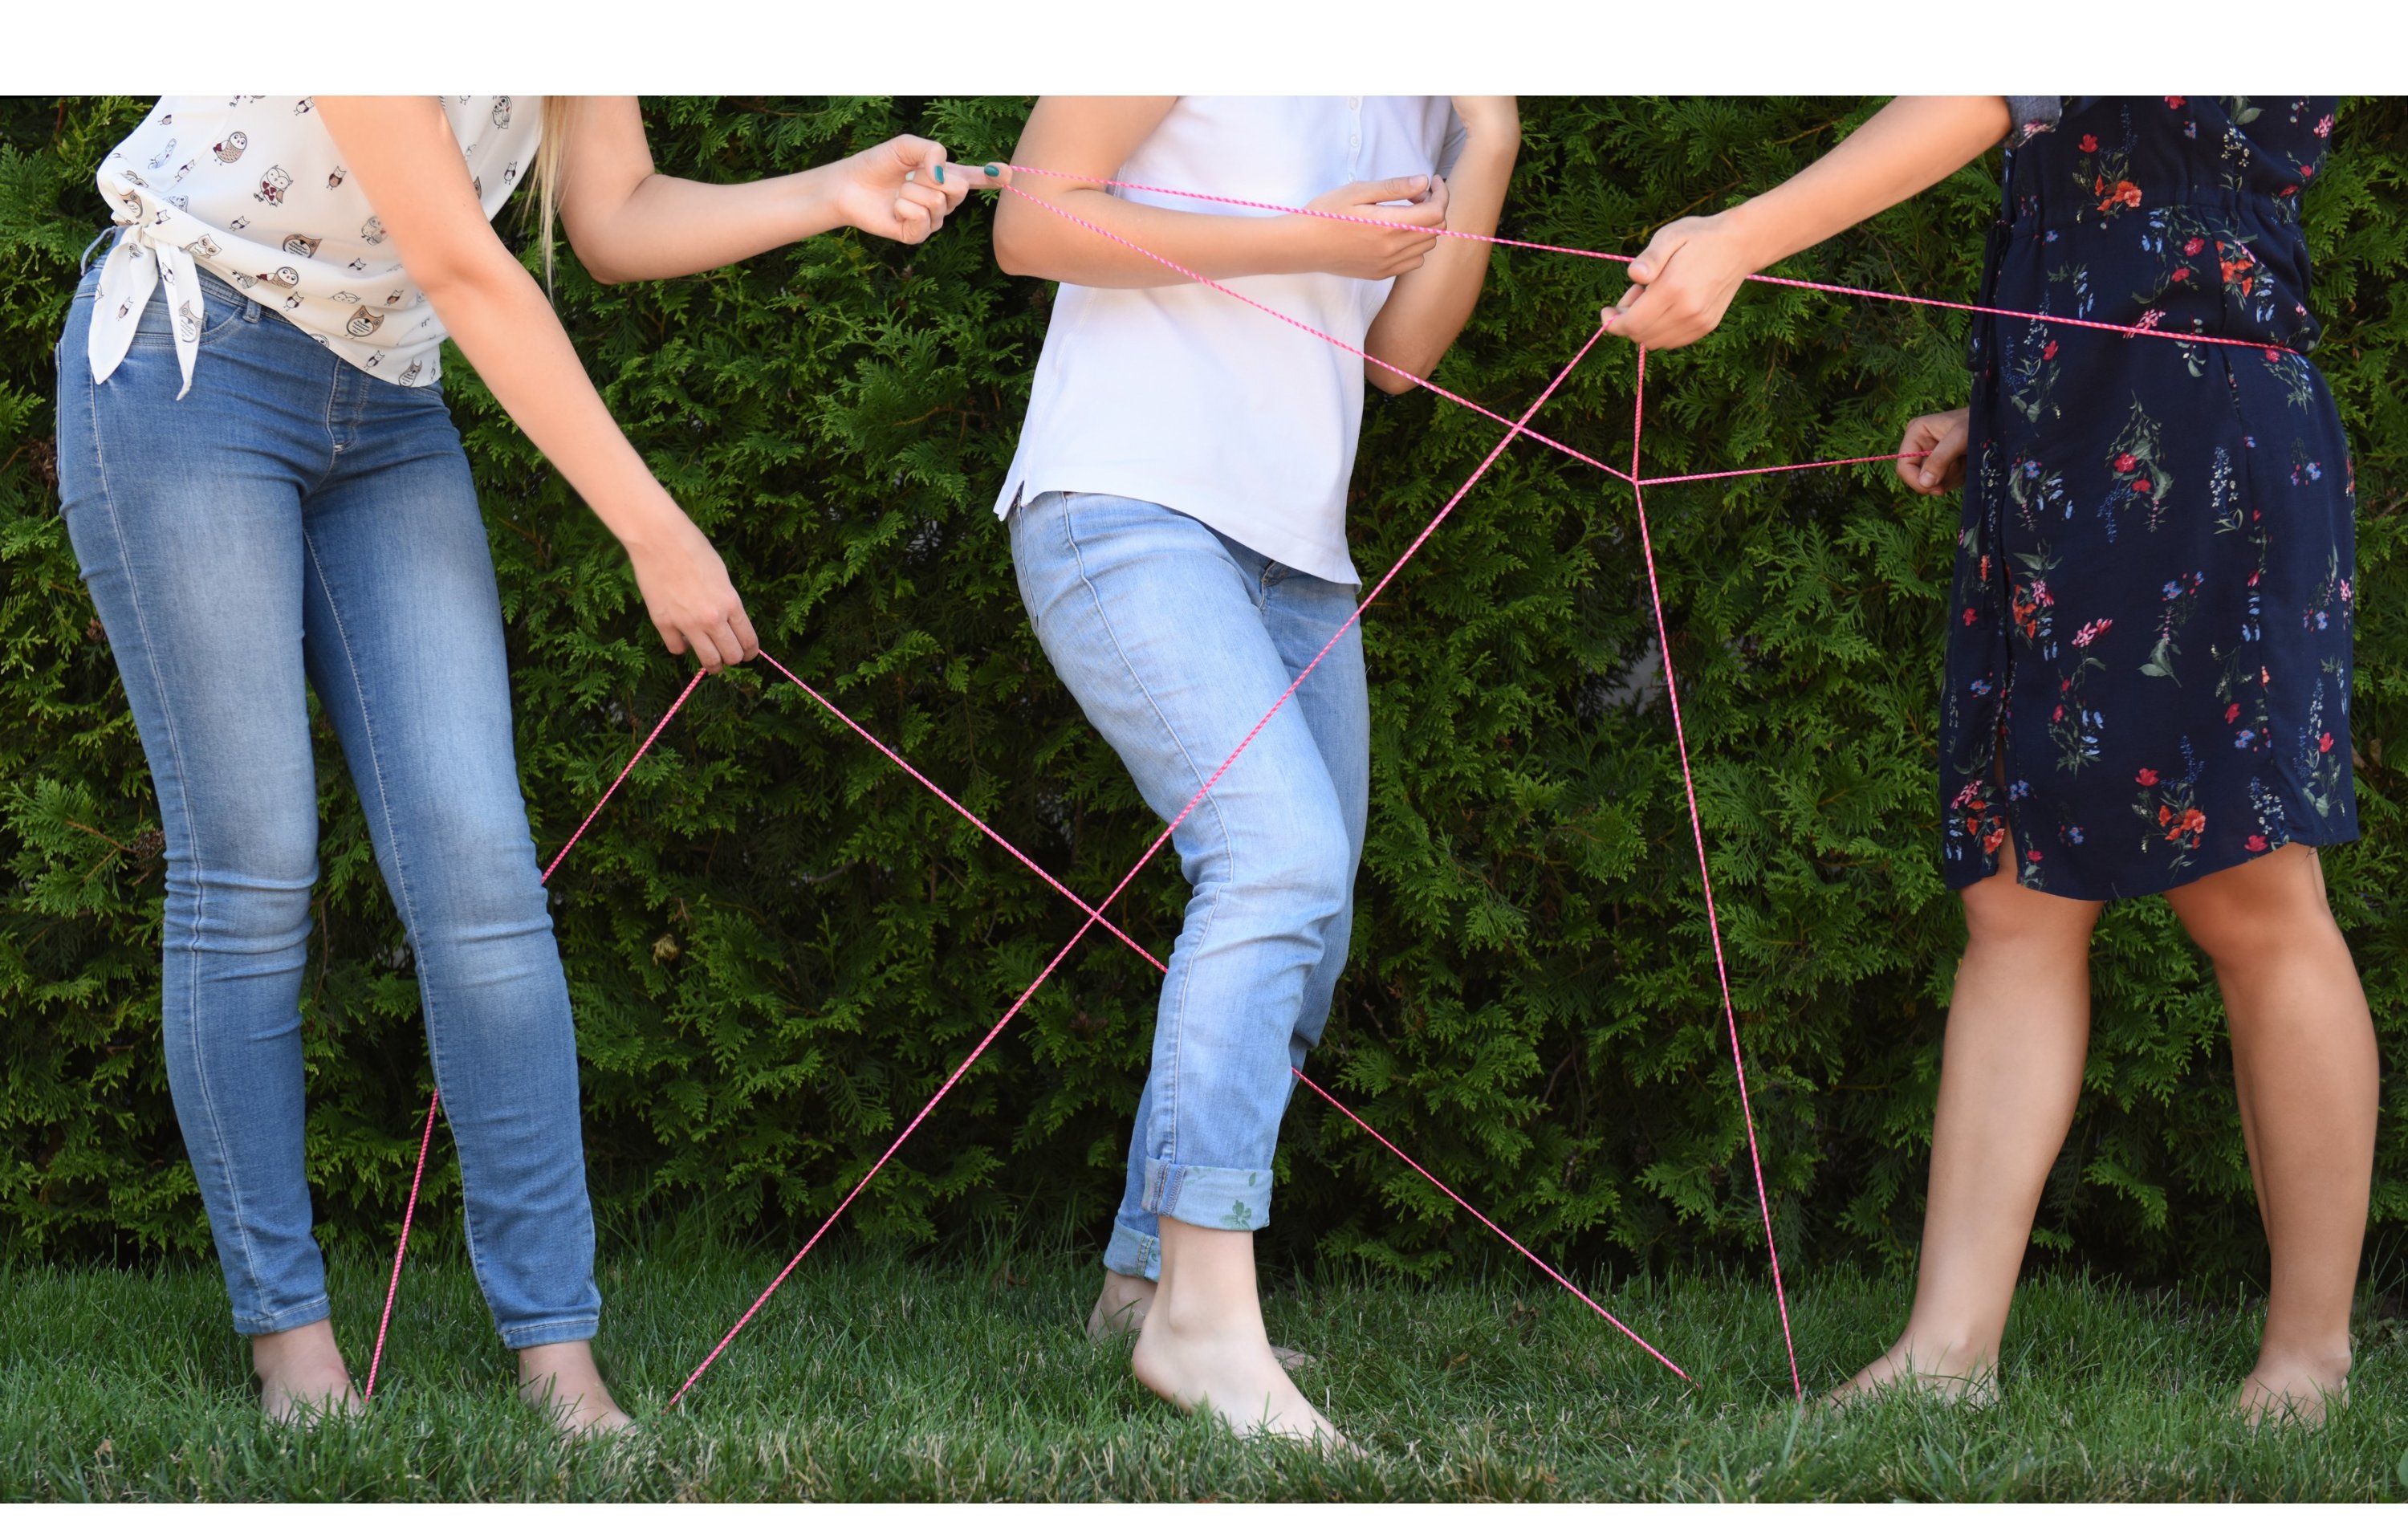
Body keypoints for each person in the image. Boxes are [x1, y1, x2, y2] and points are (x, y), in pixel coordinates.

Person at [57, 95, 983, 1430]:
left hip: (386, 401)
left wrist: (829, 190)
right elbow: (462, 262)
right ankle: (294, 1352)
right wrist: (655, 531)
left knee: (483, 875)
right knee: (252, 869)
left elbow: (614, 215)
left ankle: (559, 1362)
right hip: (189, 360)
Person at [1601, 96, 2375, 1422]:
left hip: (2205, 434)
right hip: (2062, 433)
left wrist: (1738, 238)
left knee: (2252, 892)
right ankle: (1948, 1355)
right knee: (2015, 894)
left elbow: (1995, 88)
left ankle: (2311, 1360)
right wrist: (2006, 403)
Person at [990, 95, 1519, 1443]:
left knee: (1308, 929)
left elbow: (1400, 357)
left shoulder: (1428, 85)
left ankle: (1143, 1288)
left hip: (1300, 558)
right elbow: (1031, 222)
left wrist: (1497, 129)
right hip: (1126, 501)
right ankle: (1206, 1325)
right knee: (1276, 860)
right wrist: (1302, 236)